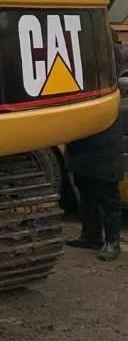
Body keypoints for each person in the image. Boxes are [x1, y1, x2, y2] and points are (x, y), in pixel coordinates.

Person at [65, 107, 123, 261]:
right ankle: (91, 236)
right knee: (85, 190)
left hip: (104, 145)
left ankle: (113, 242)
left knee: (107, 196)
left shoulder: (106, 96)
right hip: (80, 145)